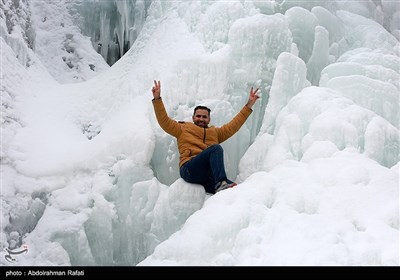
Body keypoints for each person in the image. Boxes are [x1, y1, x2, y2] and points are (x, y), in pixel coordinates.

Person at [151, 80, 260, 194]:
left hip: (207, 175)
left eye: (204, 117)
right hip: (189, 169)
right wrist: (157, 99)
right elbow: (164, 121)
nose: (201, 119)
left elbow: (233, 126)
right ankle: (221, 183)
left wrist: (249, 105)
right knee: (216, 148)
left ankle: (222, 189)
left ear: (209, 119)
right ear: (193, 118)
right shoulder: (182, 129)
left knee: (235, 191)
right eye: (198, 116)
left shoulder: (215, 133)